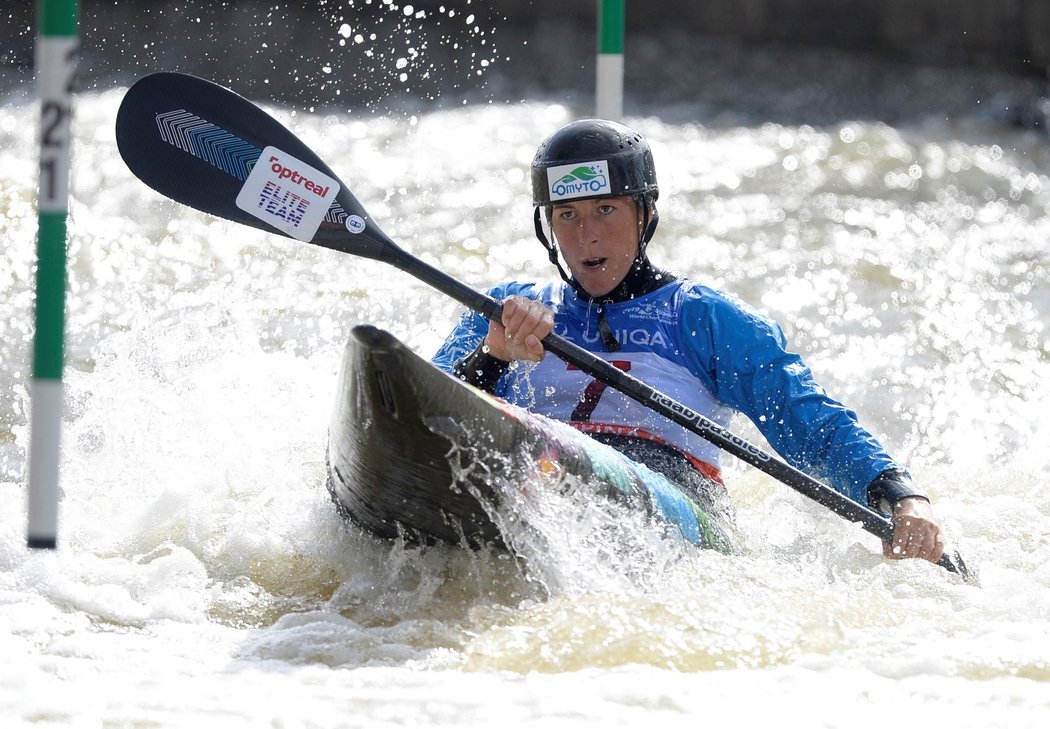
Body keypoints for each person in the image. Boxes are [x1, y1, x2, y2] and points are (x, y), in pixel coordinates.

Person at [432, 118, 946, 564]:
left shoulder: (703, 317)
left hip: (678, 494)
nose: (586, 235)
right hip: (534, 468)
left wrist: (901, 497)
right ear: (548, 227)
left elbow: (811, 422)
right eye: (567, 215)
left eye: (606, 210)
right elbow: (428, 405)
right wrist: (492, 358)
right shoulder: (507, 309)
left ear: (644, 214)